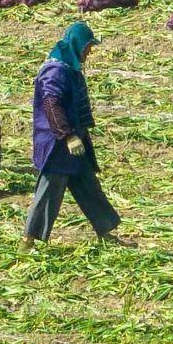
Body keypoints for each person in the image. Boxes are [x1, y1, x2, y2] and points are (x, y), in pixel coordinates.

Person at [25, 21, 123, 245]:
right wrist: (67, 135)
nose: (89, 52)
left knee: (88, 186)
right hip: (58, 144)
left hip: (76, 140)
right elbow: (51, 104)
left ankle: (106, 232)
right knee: (49, 191)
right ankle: (28, 239)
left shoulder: (70, 67)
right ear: (78, 45)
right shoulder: (55, 70)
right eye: (88, 47)